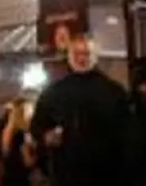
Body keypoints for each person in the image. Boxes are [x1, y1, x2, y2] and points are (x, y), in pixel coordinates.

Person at [29, 33, 138, 186]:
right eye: (77, 54)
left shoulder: (114, 92)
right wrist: (46, 136)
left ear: (95, 56)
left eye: (86, 53)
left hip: (108, 174)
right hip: (68, 174)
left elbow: (130, 134)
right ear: (69, 57)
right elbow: (37, 126)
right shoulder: (53, 94)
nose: (81, 59)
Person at [0, 97, 37, 186]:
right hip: (21, 179)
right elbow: (27, 162)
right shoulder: (22, 135)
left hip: (8, 177)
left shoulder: (4, 130)